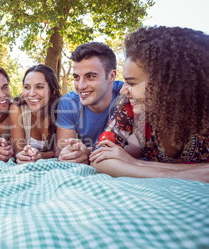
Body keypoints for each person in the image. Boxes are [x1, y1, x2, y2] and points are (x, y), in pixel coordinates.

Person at [89, 26, 209, 183]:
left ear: (168, 84)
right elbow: (100, 157)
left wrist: (134, 164)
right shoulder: (130, 105)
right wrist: (173, 174)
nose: (124, 90)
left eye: (131, 82)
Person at [56, 42, 124, 164]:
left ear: (111, 76)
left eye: (90, 76)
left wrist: (88, 152)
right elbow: (62, 148)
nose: (81, 86)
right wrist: (71, 152)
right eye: (76, 77)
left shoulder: (126, 95)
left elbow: (137, 148)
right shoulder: (68, 103)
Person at [9, 64, 61, 164]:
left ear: (53, 91)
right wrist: (23, 156)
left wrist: (41, 156)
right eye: (27, 87)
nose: (32, 93)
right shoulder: (17, 109)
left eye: (39, 87)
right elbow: (19, 150)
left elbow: (62, 150)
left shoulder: (61, 110)